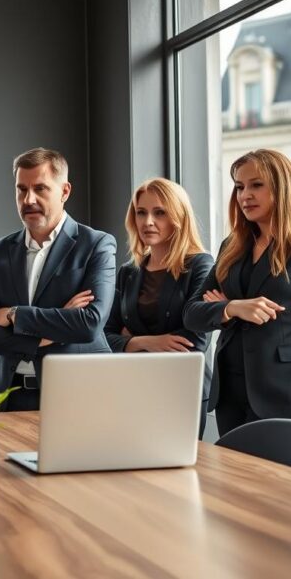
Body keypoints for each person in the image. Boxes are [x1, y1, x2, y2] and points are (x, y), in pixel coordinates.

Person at [183, 149, 291, 437]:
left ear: (281, 186)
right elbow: (191, 314)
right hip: (231, 391)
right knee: (236, 481)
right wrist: (233, 307)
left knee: (277, 481)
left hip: (288, 389)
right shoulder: (232, 246)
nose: (245, 195)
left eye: (256, 185)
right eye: (239, 187)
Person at [0, 147, 116, 411]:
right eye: (21, 189)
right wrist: (47, 333)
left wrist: (14, 315)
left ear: (65, 191)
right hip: (5, 397)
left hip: (77, 396)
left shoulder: (96, 245)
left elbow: (89, 323)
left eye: (40, 188)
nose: (28, 200)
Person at [104, 178, 214, 437]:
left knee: (176, 471)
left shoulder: (199, 265)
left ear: (178, 217)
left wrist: (130, 339)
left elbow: (194, 342)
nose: (148, 221)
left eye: (159, 212)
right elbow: (105, 337)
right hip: (132, 386)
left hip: (180, 388)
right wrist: (151, 342)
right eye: (141, 212)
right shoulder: (128, 272)